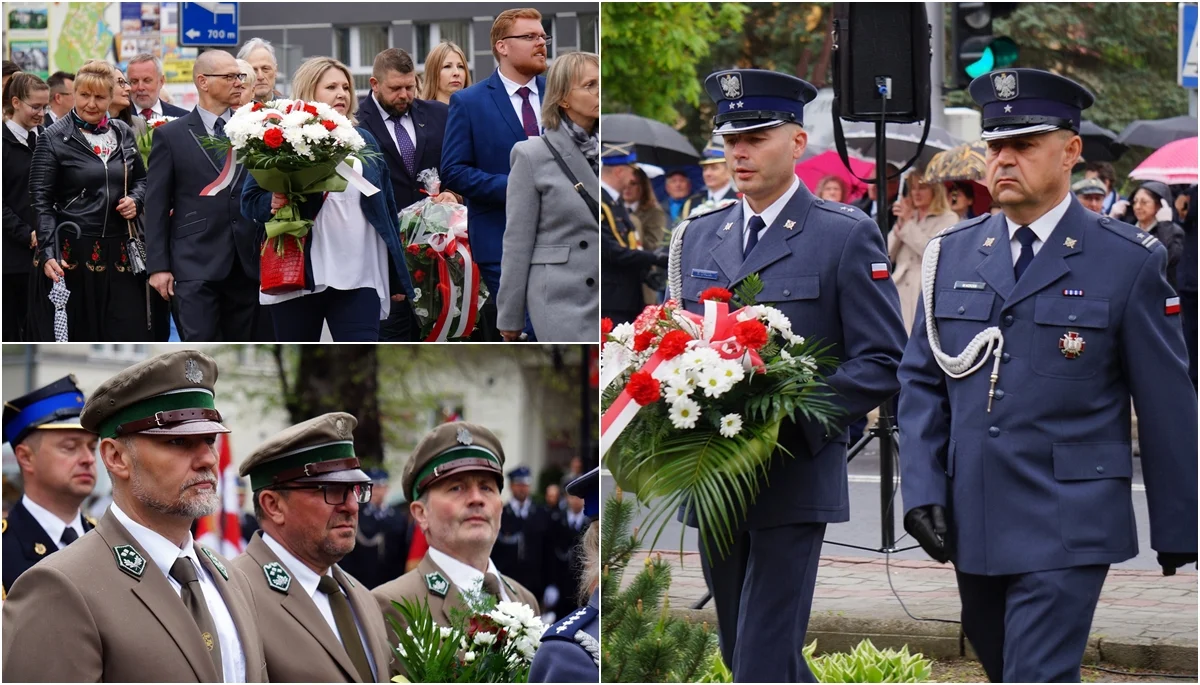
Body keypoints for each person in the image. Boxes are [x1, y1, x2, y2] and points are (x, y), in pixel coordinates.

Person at [898, 69, 1197, 683]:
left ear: (1070, 151)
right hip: (974, 512)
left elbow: (1168, 404)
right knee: (1002, 660)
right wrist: (924, 489)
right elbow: (923, 381)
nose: (1004, 160)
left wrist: (1180, 523)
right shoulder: (953, 254)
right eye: (996, 146)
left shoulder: (1126, 261)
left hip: (1070, 514)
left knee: (1036, 673)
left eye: (1025, 145)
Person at [666, 68, 906, 682]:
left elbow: (882, 361)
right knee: (740, 649)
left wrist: (784, 416)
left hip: (792, 470)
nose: (739, 151)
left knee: (763, 658)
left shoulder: (843, 235)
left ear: (797, 142)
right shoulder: (699, 236)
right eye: (729, 139)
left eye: (757, 136)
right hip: (714, 476)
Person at [2, 350, 268, 682]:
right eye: (178, 441)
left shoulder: (231, 577)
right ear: (115, 457)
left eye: (209, 440)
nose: (207, 460)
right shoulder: (60, 586)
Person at [242, 56, 414, 342]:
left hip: (361, 273)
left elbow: (387, 209)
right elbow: (249, 201)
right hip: (301, 273)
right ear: (310, 91)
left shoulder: (363, 140)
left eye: (346, 87)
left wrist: (397, 275)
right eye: (331, 86)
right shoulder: (283, 135)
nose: (341, 94)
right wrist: (271, 201)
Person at [233, 413, 393, 682]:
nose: (352, 506)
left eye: (355, 489)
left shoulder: (362, 597)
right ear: (274, 505)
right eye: (330, 489)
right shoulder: (234, 596)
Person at [441, 8, 549, 341]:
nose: (541, 43)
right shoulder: (469, 102)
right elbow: (454, 171)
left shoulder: (561, 95)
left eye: (543, 36)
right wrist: (516, 188)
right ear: (502, 46)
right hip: (501, 241)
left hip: (563, 241)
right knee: (531, 329)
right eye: (529, 37)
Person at [372, 422, 539, 636]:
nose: (477, 499)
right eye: (457, 488)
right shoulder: (393, 606)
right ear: (421, 513)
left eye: (486, 487)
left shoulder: (524, 601)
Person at [27, 60, 150, 342]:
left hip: (120, 252)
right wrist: (48, 252)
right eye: (84, 95)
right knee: (79, 331)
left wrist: (136, 200)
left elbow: (143, 180)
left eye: (99, 97)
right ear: (75, 94)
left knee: (125, 331)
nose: (91, 104)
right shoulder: (53, 138)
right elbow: (41, 200)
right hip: (72, 252)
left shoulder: (123, 132)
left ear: (111, 97)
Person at [145, 49, 261, 343]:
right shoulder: (172, 135)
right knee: (200, 347)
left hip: (246, 263)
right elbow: (156, 205)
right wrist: (159, 267)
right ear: (203, 81)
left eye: (240, 76)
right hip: (194, 264)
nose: (238, 82)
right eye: (230, 76)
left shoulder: (255, 130)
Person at [498, 51, 600, 343]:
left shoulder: (612, 150)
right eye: (590, 85)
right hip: (562, 298)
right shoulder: (531, 155)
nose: (599, 92)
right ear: (564, 99)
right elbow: (517, 241)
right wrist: (510, 318)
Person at [358, 47, 447, 342]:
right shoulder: (356, 124)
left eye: (410, 87)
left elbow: (456, 167)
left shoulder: (439, 115)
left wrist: (454, 194)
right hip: (385, 254)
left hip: (438, 252)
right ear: (375, 84)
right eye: (395, 88)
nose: (404, 96)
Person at [2, 376, 96, 596]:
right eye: (70, 447)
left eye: (92, 447)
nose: (88, 459)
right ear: (25, 458)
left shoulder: (111, 540)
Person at [528, 468, 599, 683]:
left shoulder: (565, 651)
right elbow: (546, 553)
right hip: (563, 586)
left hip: (579, 591)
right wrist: (550, 584)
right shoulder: (556, 518)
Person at [2, 72, 48, 341]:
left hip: (44, 257)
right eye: (35, 107)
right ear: (16, 102)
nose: (41, 113)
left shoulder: (46, 139)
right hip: (10, 260)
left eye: (45, 107)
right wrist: (26, 233)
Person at [602, 144, 668, 326]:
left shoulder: (613, 201)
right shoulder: (600, 201)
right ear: (618, 172)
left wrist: (646, 271)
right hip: (611, 301)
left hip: (627, 296)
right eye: (631, 172)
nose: (633, 177)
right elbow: (610, 251)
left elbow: (629, 243)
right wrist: (654, 258)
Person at [888, 165, 959, 332]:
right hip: (899, 287)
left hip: (924, 288)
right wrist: (900, 223)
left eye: (923, 187)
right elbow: (887, 253)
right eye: (913, 188)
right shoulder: (909, 215)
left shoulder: (948, 218)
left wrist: (908, 225)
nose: (916, 193)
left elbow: (933, 250)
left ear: (935, 189)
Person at [339, 468, 411, 590]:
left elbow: (403, 549)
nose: (377, 491)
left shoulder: (398, 517)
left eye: (380, 486)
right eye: (373, 486)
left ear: (386, 488)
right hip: (361, 580)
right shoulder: (356, 514)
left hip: (391, 580)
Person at [493, 465, 550, 604]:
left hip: (535, 584)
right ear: (511, 486)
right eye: (518, 484)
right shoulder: (501, 514)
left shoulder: (540, 513)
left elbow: (548, 549)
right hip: (508, 582)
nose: (522, 488)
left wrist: (551, 583)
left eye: (525, 484)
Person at [1127, 181, 1184, 290]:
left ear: (1160, 205)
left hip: (1157, 291)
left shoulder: (1174, 231)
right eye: (1135, 201)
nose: (1137, 207)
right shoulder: (1128, 227)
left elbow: (1168, 258)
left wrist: (1165, 225)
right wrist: (1113, 217)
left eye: (1144, 202)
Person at [624, 166, 668, 305]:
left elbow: (653, 244)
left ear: (643, 186)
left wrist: (633, 222)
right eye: (626, 183)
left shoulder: (654, 212)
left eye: (633, 184)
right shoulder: (613, 209)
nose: (627, 188)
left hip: (643, 276)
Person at [682, 140, 738, 218]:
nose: (708, 174)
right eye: (705, 169)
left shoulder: (739, 200)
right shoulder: (693, 202)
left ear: (729, 171)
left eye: (714, 168)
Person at [127, 53, 188, 119]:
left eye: (147, 80)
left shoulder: (183, 117)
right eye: (134, 81)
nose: (140, 87)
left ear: (161, 81)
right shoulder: (118, 118)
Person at [853, 161, 901, 232]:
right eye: (871, 180)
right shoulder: (855, 208)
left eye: (878, 182)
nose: (872, 186)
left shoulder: (901, 213)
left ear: (895, 186)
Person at [238, 37, 283, 103]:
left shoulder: (290, 109)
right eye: (254, 71)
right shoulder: (233, 111)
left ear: (275, 71)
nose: (260, 77)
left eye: (265, 69)